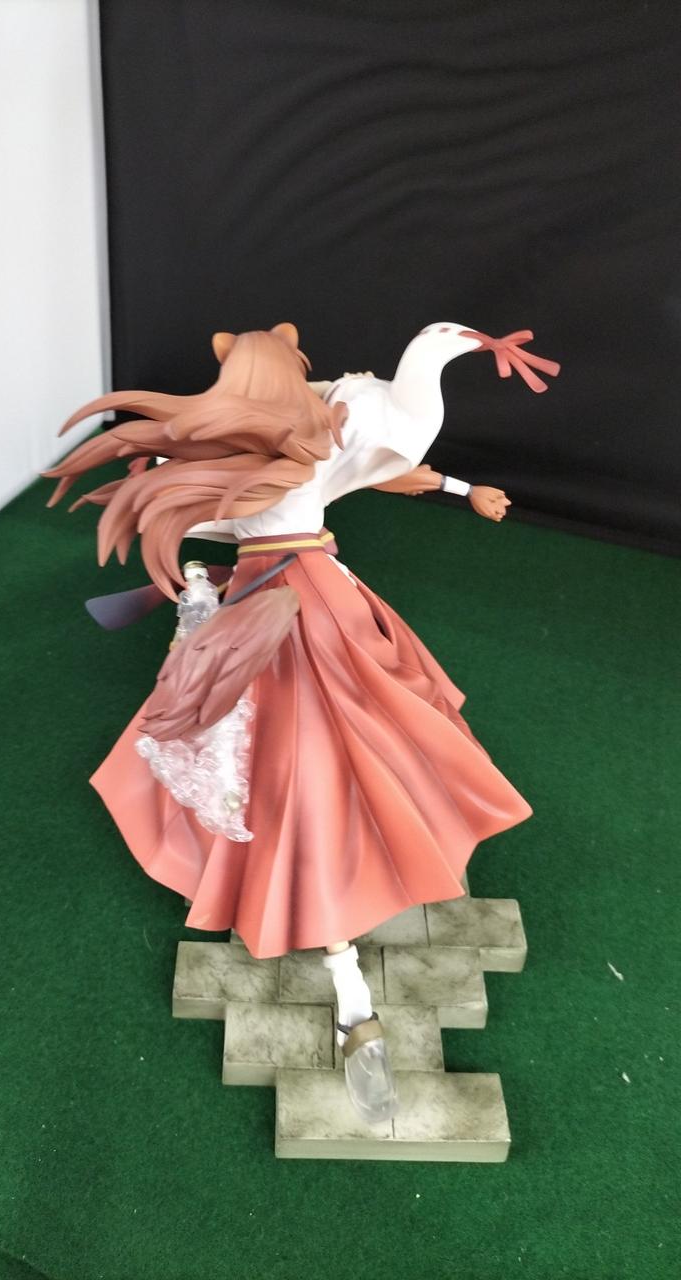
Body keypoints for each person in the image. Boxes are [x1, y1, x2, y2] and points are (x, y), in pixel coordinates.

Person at [46, 321, 556, 1121]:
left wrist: (461, 490)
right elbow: (387, 459)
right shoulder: (302, 435)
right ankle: (349, 977)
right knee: (319, 752)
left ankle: (350, 951)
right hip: (295, 605)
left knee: (333, 746)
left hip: (292, 602)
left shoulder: (275, 441)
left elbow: (385, 471)